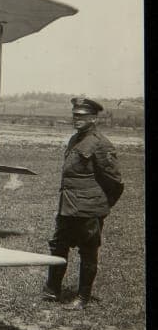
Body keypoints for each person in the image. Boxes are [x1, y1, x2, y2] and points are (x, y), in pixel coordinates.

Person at [42, 97, 124, 308]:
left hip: (88, 209)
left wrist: (101, 206)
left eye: (82, 116)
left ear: (94, 118)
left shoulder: (100, 143)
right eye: (75, 115)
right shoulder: (74, 139)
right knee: (59, 246)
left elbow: (115, 181)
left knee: (88, 251)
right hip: (68, 205)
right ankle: (52, 290)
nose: (77, 119)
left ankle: (82, 297)